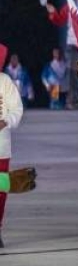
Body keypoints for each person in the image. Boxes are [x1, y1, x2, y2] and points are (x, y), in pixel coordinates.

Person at [0, 45, 25, 247]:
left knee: (0, 189)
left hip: (1, 146)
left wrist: (5, 121)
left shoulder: (5, 82)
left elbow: (17, 109)